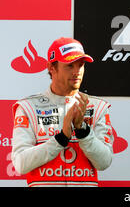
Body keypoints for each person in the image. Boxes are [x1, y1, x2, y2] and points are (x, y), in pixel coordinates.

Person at [11, 37, 114, 187]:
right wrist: (61, 139)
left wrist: (83, 131)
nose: (77, 71)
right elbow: (21, 164)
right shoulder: (28, 107)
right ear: (51, 68)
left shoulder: (97, 107)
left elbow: (104, 162)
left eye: (81, 65)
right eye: (70, 66)